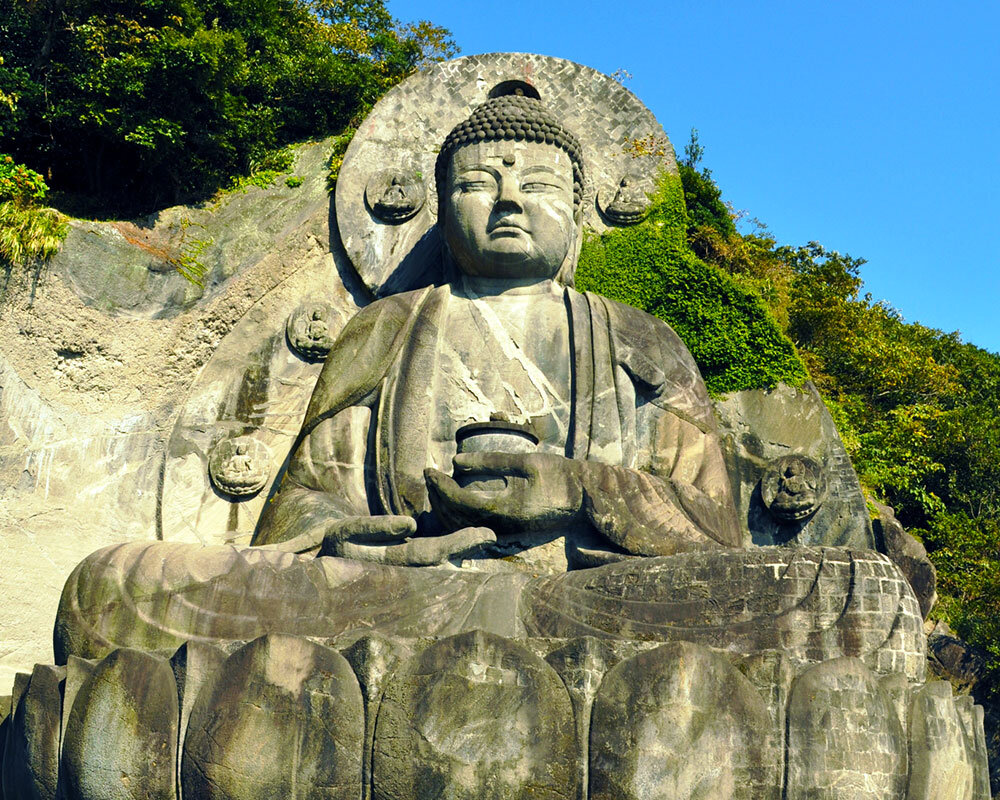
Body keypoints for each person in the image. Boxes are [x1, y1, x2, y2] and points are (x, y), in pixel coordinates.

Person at [54, 94, 747, 662]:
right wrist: (374, 542)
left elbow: (715, 530)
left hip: (581, 599)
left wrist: (581, 489)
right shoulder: (387, 325)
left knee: (808, 590)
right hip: (399, 596)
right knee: (114, 586)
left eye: (538, 186)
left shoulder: (641, 338)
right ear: (442, 210)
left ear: (578, 212)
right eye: (476, 185)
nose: (508, 203)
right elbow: (304, 512)